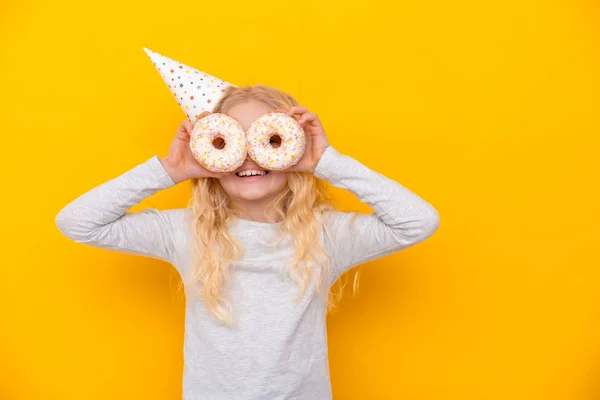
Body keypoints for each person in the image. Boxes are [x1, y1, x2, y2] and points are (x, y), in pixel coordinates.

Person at [55, 84, 440, 399]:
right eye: (229, 142)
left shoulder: (325, 236)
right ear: (209, 151)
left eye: (268, 140)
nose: (248, 157)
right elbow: (78, 222)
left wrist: (327, 161)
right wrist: (170, 170)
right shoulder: (187, 232)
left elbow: (418, 222)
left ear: (293, 147)